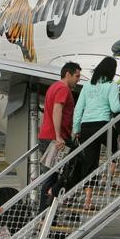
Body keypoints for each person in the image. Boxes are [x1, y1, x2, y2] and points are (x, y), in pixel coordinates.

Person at [72, 56, 120, 210]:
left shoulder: (87, 85)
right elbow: (115, 108)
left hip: (86, 127)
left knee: (90, 163)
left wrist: (76, 129)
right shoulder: (111, 85)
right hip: (103, 125)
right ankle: (107, 178)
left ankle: (88, 201)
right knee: (117, 151)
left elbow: (78, 109)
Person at [37, 62, 82, 213]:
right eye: (77, 76)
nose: (78, 80)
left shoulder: (53, 87)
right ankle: (43, 214)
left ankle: (47, 213)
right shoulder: (63, 89)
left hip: (49, 136)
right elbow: (57, 110)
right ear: (67, 74)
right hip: (54, 139)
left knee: (53, 175)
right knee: (54, 176)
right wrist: (58, 137)